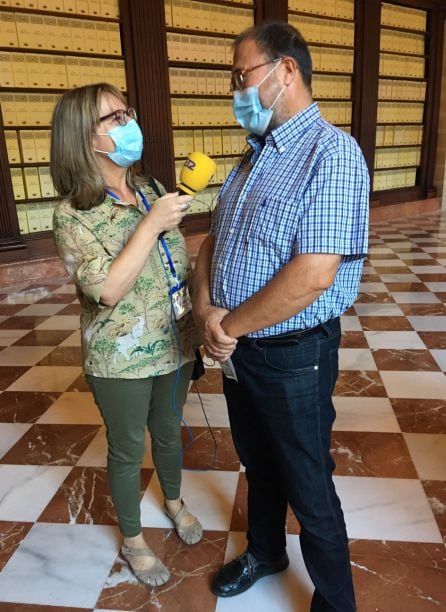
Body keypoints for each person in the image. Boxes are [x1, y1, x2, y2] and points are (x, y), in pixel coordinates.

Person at [193, 21, 369, 612]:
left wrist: (227, 327)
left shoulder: (333, 154)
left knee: (308, 479)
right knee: (258, 461)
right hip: (237, 349)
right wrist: (203, 312)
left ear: (284, 71)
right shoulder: (251, 159)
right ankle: (266, 551)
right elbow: (211, 245)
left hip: (293, 354)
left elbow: (314, 274)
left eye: (241, 75)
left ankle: (336, 601)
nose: (235, 89)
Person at [50, 83, 203, 588]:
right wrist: (151, 225)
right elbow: (108, 290)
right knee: (126, 445)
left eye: (126, 111)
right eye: (113, 118)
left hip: (175, 342)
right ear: (84, 139)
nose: (127, 123)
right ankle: (134, 539)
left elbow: (175, 261)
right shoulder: (72, 214)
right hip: (121, 357)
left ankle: (175, 500)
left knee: (169, 428)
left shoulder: (152, 188)